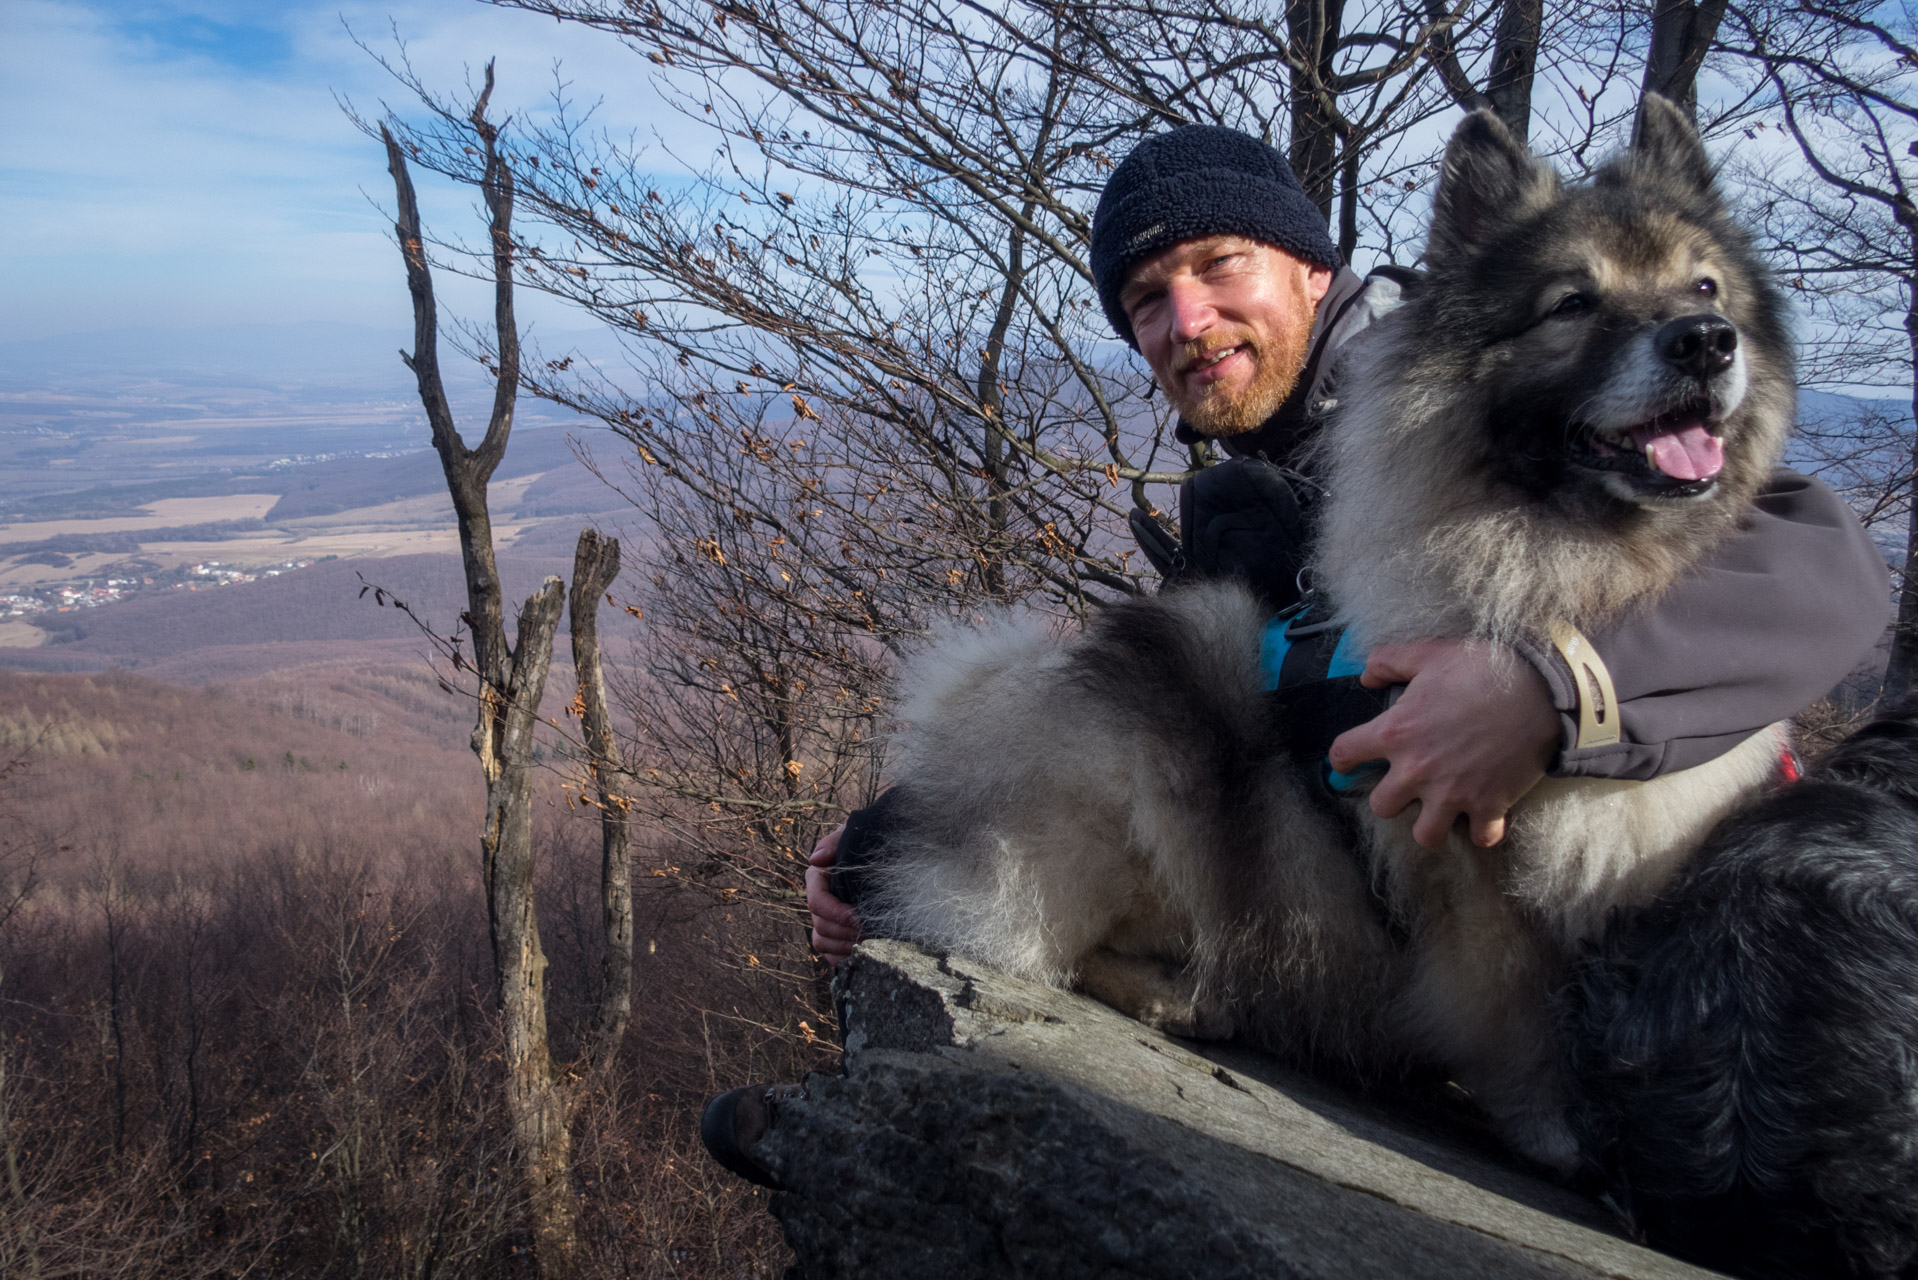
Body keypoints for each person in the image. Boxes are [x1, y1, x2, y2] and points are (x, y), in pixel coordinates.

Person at [807, 124, 1890, 964]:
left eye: (1220, 264)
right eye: (1147, 299)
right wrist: (896, 836)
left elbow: (1822, 561)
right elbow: (1147, 695)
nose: (1186, 319)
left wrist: (1548, 694)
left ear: (1313, 269)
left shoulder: (1443, 410)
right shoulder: (1257, 484)